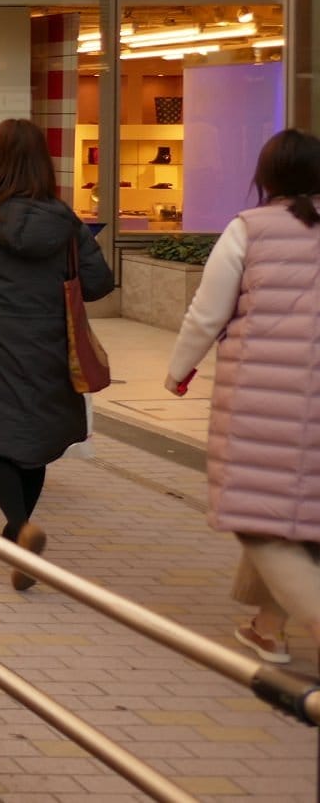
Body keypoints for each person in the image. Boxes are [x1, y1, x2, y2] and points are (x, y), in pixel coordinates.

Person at [0, 117, 114, 589]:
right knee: (33, 444)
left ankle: (19, 527)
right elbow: (98, 283)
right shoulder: (66, 221)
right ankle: (22, 537)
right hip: (49, 347)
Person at [165, 129, 320, 665]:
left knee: (261, 519)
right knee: (297, 512)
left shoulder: (249, 230)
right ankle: (266, 629)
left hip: (266, 401)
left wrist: (178, 370)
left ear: (267, 176)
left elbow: (207, 311)